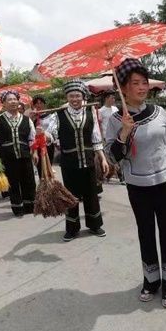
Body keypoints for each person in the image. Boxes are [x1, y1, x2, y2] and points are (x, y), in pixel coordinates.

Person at [105, 58, 166, 309]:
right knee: (145, 233)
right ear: (122, 88)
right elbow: (113, 157)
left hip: (164, 181)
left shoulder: (159, 113)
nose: (142, 87)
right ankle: (151, 281)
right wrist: (123, 132)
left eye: (144, 82)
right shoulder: (114, 120)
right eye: (135, 83)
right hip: (137, 185)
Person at [50, 80, 108, 240]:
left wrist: (102, 158)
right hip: (69, 163)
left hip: (89, 160)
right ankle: (72, 229)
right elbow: (51, 133)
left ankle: (95, 225)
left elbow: (96, 137)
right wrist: (44, 134)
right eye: (71, 96)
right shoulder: (59, 114)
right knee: (71, 197)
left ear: (83, 97)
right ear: (67, 97)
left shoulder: (90, 112)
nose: (74, 99)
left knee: (91, 195)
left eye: (77, 95)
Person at [0, 90, 38, 216]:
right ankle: (17, 208)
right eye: (9, 100)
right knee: (13, 182)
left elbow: (32, 138)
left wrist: (35, 153)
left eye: (14, 99)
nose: (13, 102)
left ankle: (30, 206)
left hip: (25, 154)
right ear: (3, 104)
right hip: (8, 156)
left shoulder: (27, 120)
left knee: (28, 180)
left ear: (18, 101)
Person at [98, 91, 125, 185]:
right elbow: (99, 125)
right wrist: (101, 138)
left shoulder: (115, 109)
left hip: (117, 136)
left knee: (119, 157)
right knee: (109, 158)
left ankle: (122, 176)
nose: (113, 100)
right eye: (112, 98)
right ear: (106, 98)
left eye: (114, 98)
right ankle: (106, 174)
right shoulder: (101, 111)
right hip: (106, 137)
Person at [29, 95, 57, 178]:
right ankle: (43, 184)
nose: (38, 105)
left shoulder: (51, 115)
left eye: (40, 103)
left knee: (48, 166)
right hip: (36, 147)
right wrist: (31, 119)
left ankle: (49, 184)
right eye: (36, 104)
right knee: (39, 168)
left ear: (44, 104)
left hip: (47, 145)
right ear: (33, 106)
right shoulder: (32, 117)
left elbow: (52, 131)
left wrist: (44, 134)